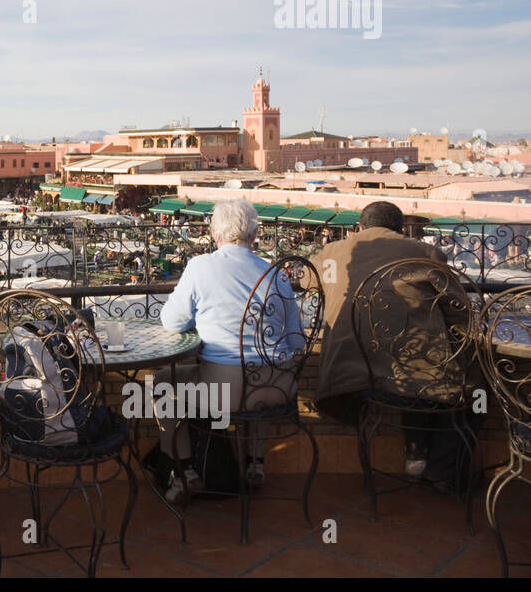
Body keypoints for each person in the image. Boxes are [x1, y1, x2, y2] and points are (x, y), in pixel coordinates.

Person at [311, 201, 479, 485]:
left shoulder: (332, 253)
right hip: (412, 373)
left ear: (359, 228)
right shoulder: (423, 253)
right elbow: (458, 309)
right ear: (401, 229)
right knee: (474, 394)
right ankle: (441, 471)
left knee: (429, 386)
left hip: (348, 373)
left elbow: (304, 277)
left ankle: (417, 451)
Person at [156, 199, 303, 502]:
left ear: (214, 234)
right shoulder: (277, 272)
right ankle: (255, 463)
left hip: (223, 393)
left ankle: (185, 471)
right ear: (254, 235)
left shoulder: (200, 267)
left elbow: (171, 321)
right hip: (277, 388)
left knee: (160, 384)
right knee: (254, 388)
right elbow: (296, 341)